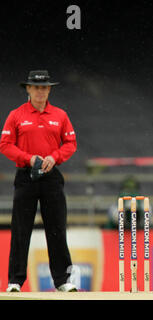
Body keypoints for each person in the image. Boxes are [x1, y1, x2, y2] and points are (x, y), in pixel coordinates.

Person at [0, 70, 78, 292]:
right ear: (28, 89)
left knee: (56, 229)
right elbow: (5, 144)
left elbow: (70, 144)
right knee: (21, 229)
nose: (40, 91)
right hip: (26, 176)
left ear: (49, 89)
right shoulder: (16, 115)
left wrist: (55, 157)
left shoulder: (60, 115)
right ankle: (15, 281)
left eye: (44, 87)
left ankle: (62, 280)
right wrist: (28, 158)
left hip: (51, 177)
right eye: (36, 87)